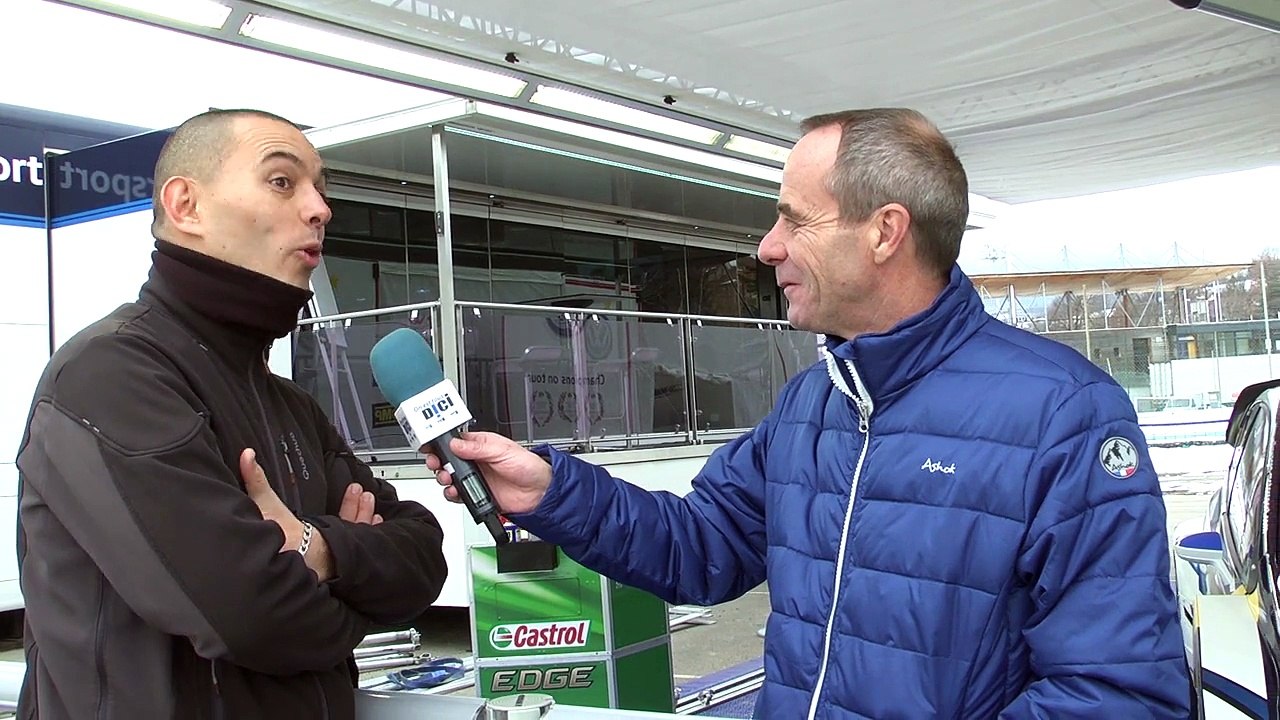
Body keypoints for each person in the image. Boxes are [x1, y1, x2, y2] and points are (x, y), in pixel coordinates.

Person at [428, 109, 1190, 718]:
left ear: (884, 231)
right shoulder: (814, 402)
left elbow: (1116, 694)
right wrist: (549, 491)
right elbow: (701, 545)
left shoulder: (1066, 414)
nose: (767, 247)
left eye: (796, 220)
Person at [16, 109, 448, 719]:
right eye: (282, 181)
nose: (320, 208)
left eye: (320, 188)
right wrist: (357, 584)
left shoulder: (290, 403)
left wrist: (317, 548)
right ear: (186, 206)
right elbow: (254, 616)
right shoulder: (110, 376)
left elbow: (423, 557)